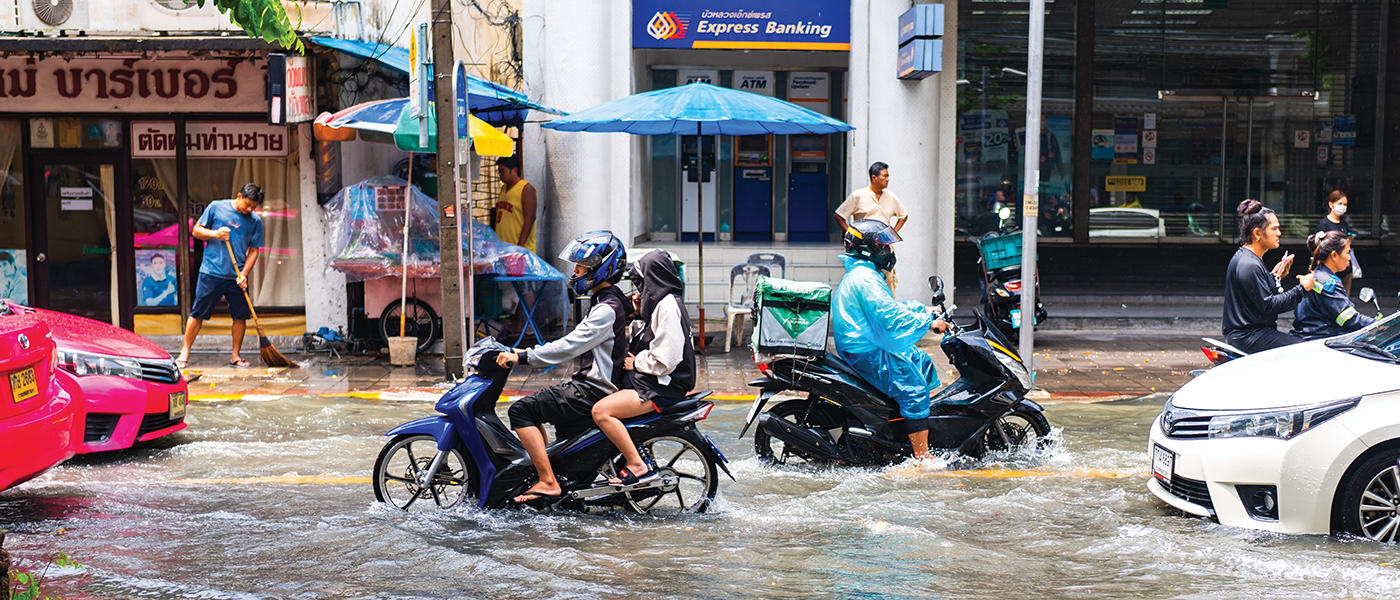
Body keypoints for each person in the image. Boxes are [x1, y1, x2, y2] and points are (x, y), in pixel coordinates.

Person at [494, 231, 629, 503]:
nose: (576, 272)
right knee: (546, 413)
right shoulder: (607, 300)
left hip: (593, 390)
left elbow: (569, 346)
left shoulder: (606, 308)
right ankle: (550, 473)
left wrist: (523, 356)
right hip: (592, 386)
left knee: (521, 410)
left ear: (601, 269)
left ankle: (547, 481)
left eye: (581, 267)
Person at [832, 219, 951, 460]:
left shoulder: (863, 273)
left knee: (921, 361)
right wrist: (927, 323)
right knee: (914, 389)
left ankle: (912, 425)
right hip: (866, 349)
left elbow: (889, 309)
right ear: (868, 248)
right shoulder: (865, 277)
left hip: (866, 343)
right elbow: (889, 317)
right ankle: (922, 457)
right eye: (883, 245)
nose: (887, 251)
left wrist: (922, 310)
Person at [590, 249, 696, 485]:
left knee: (601, 411)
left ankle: (636, 464)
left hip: (662, 386)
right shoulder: (664, 303)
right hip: (654, 382)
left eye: (642, 284)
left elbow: (666, 359)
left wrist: (635, 362)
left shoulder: (667, 307)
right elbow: (648, 337)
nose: (639, 291)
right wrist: (640, 313)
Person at [175, 183, 265, 369]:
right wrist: (215, 234)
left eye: (253, 207)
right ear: (239, 196)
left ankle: (235, 356)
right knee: (198, 312)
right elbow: (196, 231)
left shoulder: (255, 221)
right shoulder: (216, 207)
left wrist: (244, 274)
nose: (249, 209)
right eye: (247, 204)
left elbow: (254, 251)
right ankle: (184, 352)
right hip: (211, 271)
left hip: (237, 275)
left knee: (240, 316)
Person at [1223, 199, 1315, 354]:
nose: (1279, 233)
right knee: (1305, 351)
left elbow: (1254, 296)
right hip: (1249, 335)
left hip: (1250, 333)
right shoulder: (1249, 264)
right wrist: (1302, 289)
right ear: (1258, 233)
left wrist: (1274, 277)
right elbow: (1268, 306)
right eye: (1274, 229)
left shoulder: (1248, 258)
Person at [1291, 231, 1375, 340]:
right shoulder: (1328, 283)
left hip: (1307, 339)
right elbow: (1349, 319)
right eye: (1347, 252)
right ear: (1334, 255)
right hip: (1320, 342)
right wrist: (1380, 325)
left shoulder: (1314, 275)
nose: (1349, 257)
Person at [834, 162, 909, 233]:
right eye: (884, 176)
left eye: (888, 176)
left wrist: (892, 234)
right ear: (874, 178)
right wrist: (853, 234)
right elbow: (839, 216)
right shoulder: (858, 195)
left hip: (883, 244)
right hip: (863, 243)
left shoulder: (891, 197)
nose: (887, 179)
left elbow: (903, 216)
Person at [493, 156, 537, 253]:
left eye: (503, 171)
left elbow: (530, 217)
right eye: (499, 171)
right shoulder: (503, 188)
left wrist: (520, 245)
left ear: (514, 170)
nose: (500, 175)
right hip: (504, 248)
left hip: (520, 250)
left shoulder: (526, 188)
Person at [1317, 190, 1355, 295]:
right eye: (1340, 204)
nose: (1342, 207)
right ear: (1331, 204)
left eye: (1345, 204)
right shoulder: (1323, 224)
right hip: (1331, 268)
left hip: (1345, 268)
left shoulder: (1344, 224)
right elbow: (1320, 247)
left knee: (1344, 298)